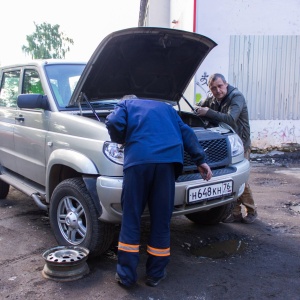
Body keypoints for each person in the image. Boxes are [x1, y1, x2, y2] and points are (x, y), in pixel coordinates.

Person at [105, 95, 212, 288]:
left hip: (138, 162)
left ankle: (126, 276)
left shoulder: (126, 103)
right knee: (161, 220)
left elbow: (113, 121)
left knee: (131, 218)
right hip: (167, 164)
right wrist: (200, 160)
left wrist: (121, 138)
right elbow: (186, 132)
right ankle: (155, 274)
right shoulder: (166, 108)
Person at [195, 73, 257, 224]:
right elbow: (198, 108)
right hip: (224, 145)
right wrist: (197, 109)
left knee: (241, 178)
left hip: (240, 144)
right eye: (213, 88)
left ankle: (252, 210)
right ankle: (235, 213)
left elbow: (230, 119)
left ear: (226, 84)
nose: (217, 90)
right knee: (228, 178)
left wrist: (207, 112)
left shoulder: (236, 97)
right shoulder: (212, 99)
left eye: (220, 86)